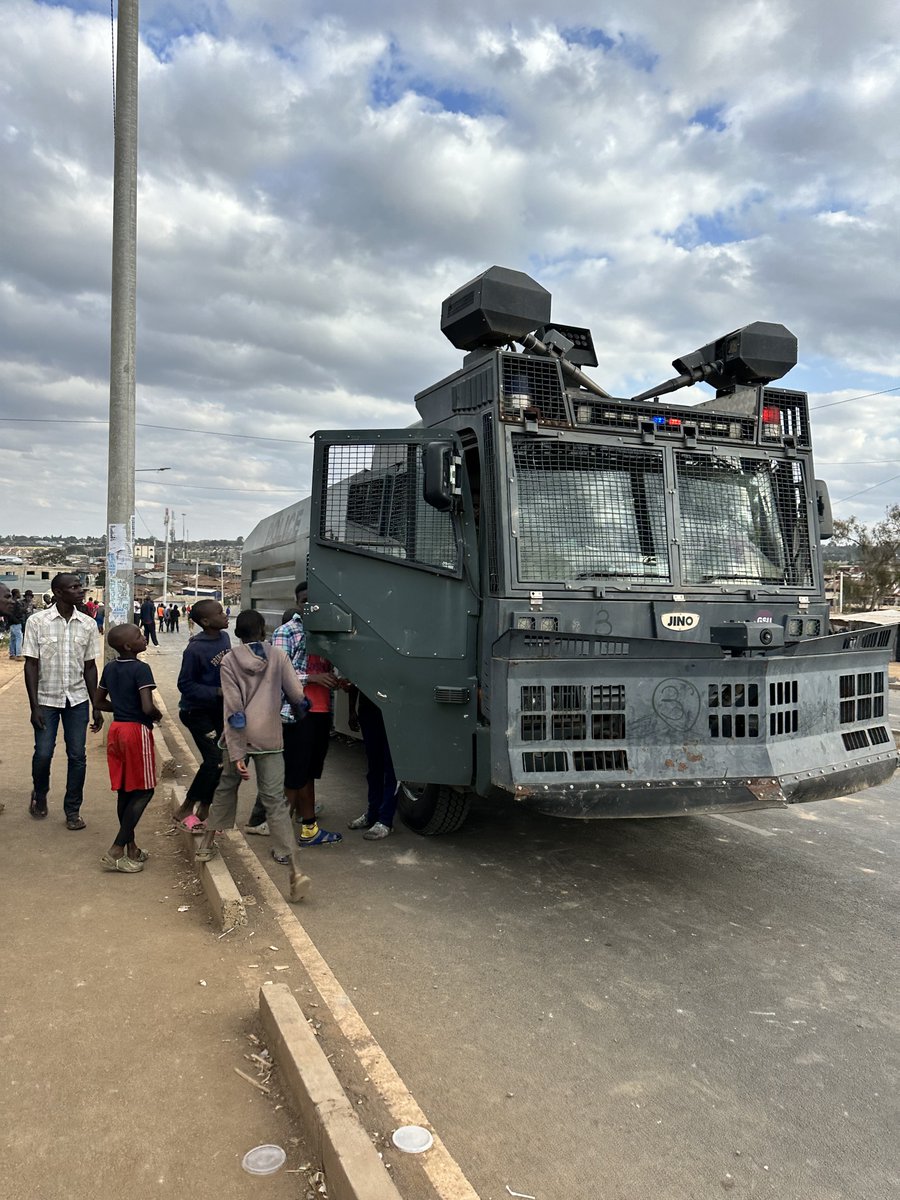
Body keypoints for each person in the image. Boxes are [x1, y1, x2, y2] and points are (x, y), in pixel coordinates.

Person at [196, 610, 310, 903]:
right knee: (275, 801)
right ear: (263, 630)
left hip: (239, 738)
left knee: (226, 788)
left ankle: (207, 843)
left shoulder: (229, 661)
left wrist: (236, 753)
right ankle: (295, 868)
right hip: (271, 736)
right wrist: (299, 712)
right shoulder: (278, 657)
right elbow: (297, 695)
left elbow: (233, 710)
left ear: (237, 633)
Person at [247, 583, 342, 847]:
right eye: (304, 601)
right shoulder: (287, 631)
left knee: (308, 774)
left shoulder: (329, 633)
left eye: (315, 601)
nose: (310, 606)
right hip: (295, 715)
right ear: (298, 603)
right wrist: (312, 677)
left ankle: (309, 830)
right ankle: (281, 843)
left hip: (321, 713)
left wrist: (337, 680)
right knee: (292, 777)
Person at [23, 573, 103, 826]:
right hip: (46, 700)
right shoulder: (37, 622)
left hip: (77, 700)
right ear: (58, 592)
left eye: (81, 587)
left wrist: (96, 705)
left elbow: (90, 667)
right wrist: (34, 706)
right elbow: (31, 665)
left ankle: (72, 810)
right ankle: (41, 793)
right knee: (44, 753)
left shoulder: (88, 624)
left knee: (77, 755)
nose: (81, 591)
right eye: (75, 587)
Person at [91, 624, 161, 873]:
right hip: (135, 732)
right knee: (145, 790)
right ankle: (116, 849)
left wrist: (121, 707)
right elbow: (146, 708)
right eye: (140, 636)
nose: (144, 638)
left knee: (124, 789)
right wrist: (157, 715)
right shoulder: (142, 669)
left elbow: (99, 701)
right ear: (129, 646)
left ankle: (132, 848)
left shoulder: (110, 668)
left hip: (117, 729)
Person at [173, 598, 230, 830]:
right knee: (214, 759)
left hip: (219, 709)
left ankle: (205, 805)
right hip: (196, 712)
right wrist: (217, 691)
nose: (225, 614)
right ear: (206, 621)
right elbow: (184, 685)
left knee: (223, 759)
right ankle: (188, 804)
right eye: (219, 612)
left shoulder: (225, 638)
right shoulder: (195, 649)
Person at [346, 687, 398, 839]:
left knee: (391, 768)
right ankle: (373, 813)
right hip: (369, 710)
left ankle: (385, 820)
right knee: (374, 766)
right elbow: (355, 680)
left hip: (393, 710)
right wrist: (351, 710)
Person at [7, 588, 26, 660]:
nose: (19, 594)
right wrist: (25, 607)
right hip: (16, 622)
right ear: (16, 594)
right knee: (19, 637)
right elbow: (20, 612)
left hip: (11, 623)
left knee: (13, 638)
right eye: (18, 593)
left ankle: (12, 654)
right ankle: (18, 655)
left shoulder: (10, 602)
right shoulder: (16, 603)